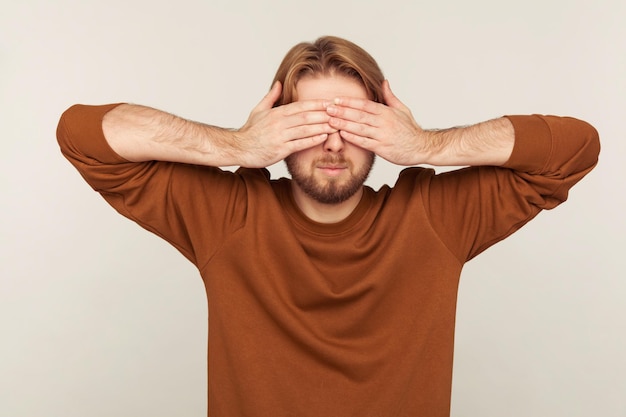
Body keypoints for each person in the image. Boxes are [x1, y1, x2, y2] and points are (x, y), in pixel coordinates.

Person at [57, 35, 600, 417]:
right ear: (278, 128)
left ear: (381, 129)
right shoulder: (227, 217)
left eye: (355, 123)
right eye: (311, 124)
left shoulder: (435, 218)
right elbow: (83, 135)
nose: (334, 144)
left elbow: (576, 148)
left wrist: (428, 145)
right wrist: (233, 145)